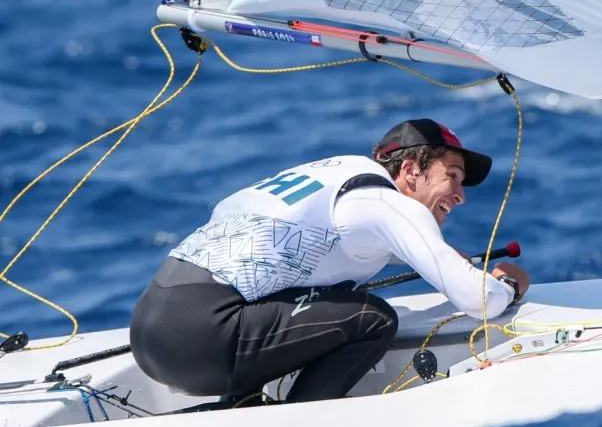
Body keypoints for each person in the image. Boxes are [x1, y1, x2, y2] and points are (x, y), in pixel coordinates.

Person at [130, 118, 529, 406]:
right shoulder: (385, 203)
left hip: (151, 331)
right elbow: (479, 301)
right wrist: (507, 284)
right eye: (453, 175)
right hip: (203, 339)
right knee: (371, 318)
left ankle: (241, 405)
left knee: (327, 296)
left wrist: (449, 258)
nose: (460, 195)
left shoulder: (333, 176)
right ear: (409, 169)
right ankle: (303, 419)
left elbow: (357, 245)